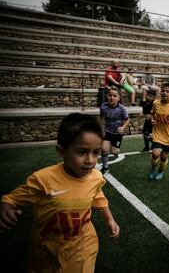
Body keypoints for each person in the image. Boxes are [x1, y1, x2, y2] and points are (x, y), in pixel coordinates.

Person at [0, 113, 120, 272]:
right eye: (82, 152)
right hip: (46, 247)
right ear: (61, 151)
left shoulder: (96, 177)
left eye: (96, 152)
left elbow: (98, 196)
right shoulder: (42, 179)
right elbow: (12, 199)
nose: (91, 160)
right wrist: (6, 206)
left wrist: (110, 220)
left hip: (83, 244)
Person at [100, 86, 130, 174]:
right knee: (104, 149)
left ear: (118, 98)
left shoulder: (122, 109)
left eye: (114, 96)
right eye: (110, 95)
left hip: (117, 134)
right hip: (108, 131)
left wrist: (123, 127)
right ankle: (105, 167)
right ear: (106, 96)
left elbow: (127, 119)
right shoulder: (103, 106)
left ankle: (116, 150)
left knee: (114, 151)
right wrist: (101, 129)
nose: (112, 97)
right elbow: (102, 118)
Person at [140, 87, 157, 152]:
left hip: (153, 122)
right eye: (147, 95)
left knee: (150, 134)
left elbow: (157, 113)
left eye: (150, 96)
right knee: (145, 134)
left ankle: (154, 144)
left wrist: (151, 116)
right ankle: (147, 147)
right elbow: (144, 112)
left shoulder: (155, 104)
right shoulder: (144, 103)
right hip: (147, 121)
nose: (148, 97)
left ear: (154, 97)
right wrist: (143, 115)